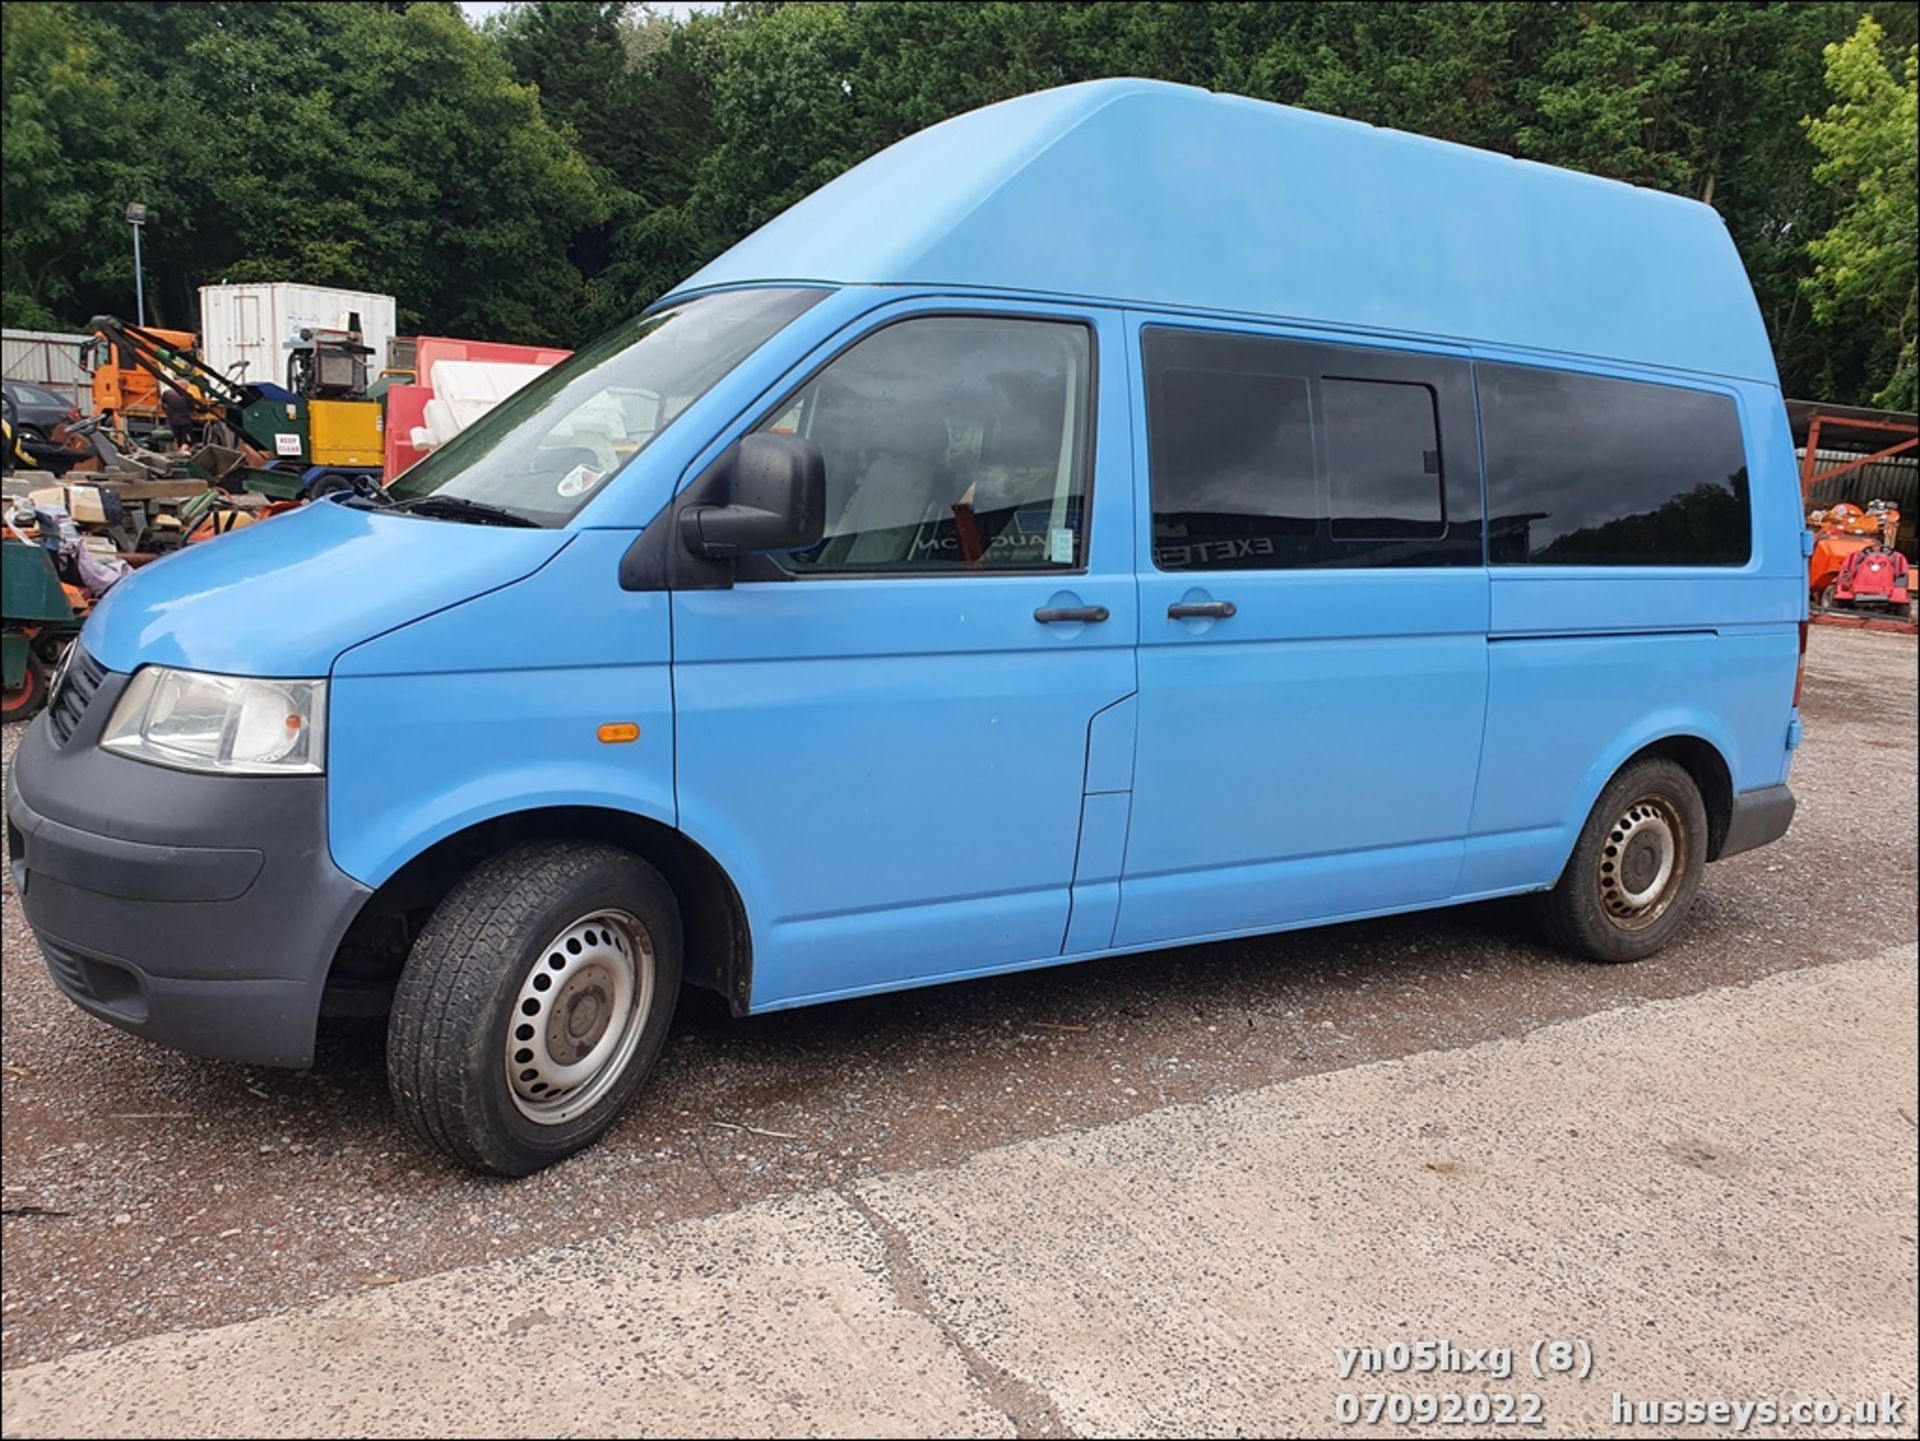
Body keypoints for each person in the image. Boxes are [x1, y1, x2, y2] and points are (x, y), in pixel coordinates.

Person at [160, 380, 199, 451]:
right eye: (186, 386)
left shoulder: (167, 394)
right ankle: (183, 454)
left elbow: (162, 404)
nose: (187, 388)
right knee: (187, 441)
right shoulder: (187, 396)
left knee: (179, 439)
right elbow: (193, 408)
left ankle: (180, 450)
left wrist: (167, 411)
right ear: (183, 386)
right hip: (185, 422)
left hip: (172, 421)